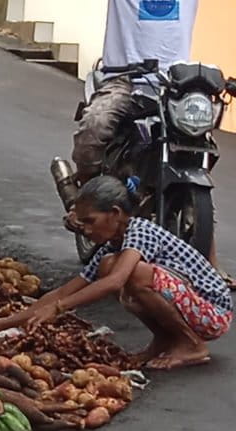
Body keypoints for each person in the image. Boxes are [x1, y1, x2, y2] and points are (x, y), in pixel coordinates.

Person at [0, 176, 232, 370]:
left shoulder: (141, 231)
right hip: (191, 307)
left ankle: (191, 344)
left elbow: (115, 282)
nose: (85, 230)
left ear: (115, 213)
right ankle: (163, 340)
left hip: (213, 313)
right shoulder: (111, 248)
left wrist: (59, 308)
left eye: (90, 221)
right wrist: (1, 324)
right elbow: (64, 290)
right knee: (108, 266)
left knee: (133, 274)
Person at [69, 0, 235, 288]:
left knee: (196, 153)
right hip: (123, 79)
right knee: (93, 127)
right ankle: (86, 197)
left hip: (174, 84)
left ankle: (210, 263)